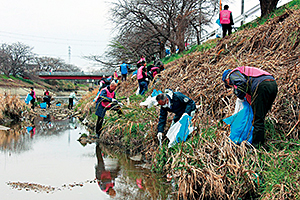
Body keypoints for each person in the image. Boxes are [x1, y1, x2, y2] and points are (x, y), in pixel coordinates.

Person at [222, 66, 278, 148]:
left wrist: (240, 96)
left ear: (227, 80)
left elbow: (240, 83)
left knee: (258, 118)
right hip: (273, 84)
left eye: (229, 85)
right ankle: (260, 140)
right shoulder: (247, 76)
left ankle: (257, 146)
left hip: (261, 85)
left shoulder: (232, 74)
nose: (231, 86)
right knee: (261, 116)